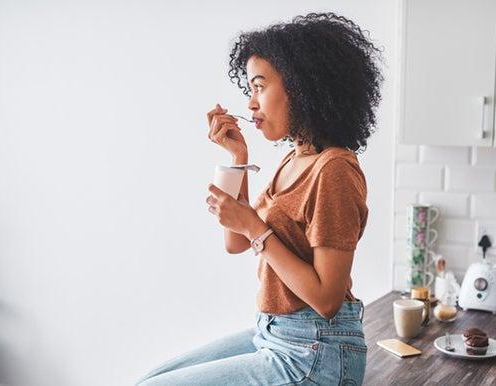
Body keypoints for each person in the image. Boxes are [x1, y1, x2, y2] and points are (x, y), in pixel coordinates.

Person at [136, 12, 383, 385]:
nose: (251, 103)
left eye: (259, 86)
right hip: (276, 332)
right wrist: (238, 159)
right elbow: (237, 242)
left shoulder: (334, 170)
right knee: (155, 376)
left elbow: (327, 298)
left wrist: (253, 225)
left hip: (317, 351)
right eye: (250, 89)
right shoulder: (296, 158)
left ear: (302, 87)